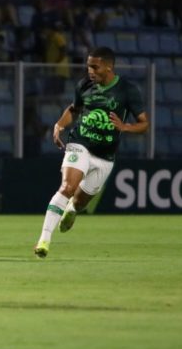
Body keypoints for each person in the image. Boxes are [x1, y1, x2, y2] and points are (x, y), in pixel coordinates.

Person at [34, 47, 149, 258]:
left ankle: (72, 210)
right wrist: (60, 124)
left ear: (109, 67)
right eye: (88, 66)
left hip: (105, 156)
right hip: (80, 144)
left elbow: (144, 124)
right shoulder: (84, 85)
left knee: (79, 202)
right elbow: (74, 109)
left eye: (95, 67)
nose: (90, 70)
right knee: (67, 187)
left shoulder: (127, 90)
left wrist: (125, 127)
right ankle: (44, 240)